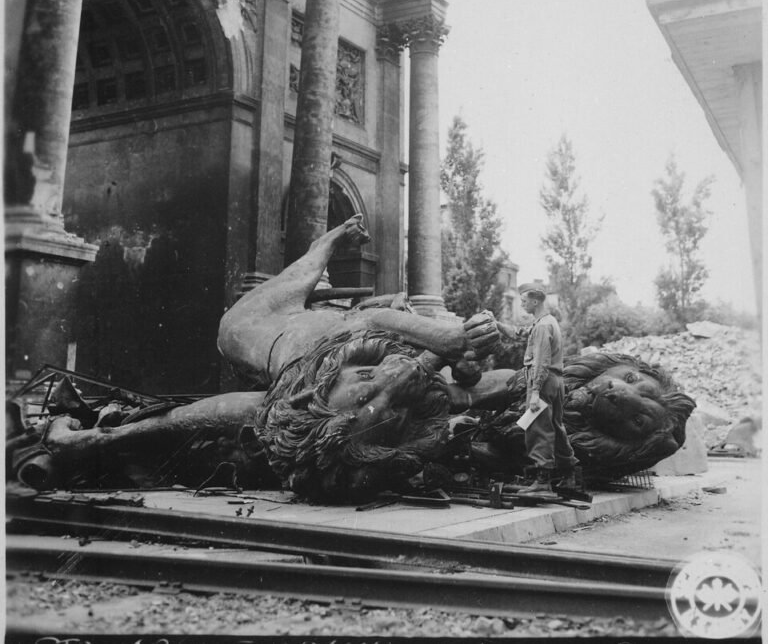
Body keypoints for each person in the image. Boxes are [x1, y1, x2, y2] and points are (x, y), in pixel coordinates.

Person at [23, 216, 511, 502]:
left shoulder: (282, 401)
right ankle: (331, 241)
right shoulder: (402, 397)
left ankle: (326, 241)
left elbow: (174, 420)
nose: (394, 374)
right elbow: (473, 380)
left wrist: (85, 439)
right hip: (347, 341)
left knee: (321, 292)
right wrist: (464, 363)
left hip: (263, 332)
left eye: (364, 386)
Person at [518, 286, 578, 495]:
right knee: (555, 426)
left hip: (542, 383)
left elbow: (541, 362)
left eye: (524, 300)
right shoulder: (549, 322)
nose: (522, 304)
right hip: (555, 381)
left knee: (537, 428)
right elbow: (524, 336)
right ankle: (570, 475)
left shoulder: (542, 326)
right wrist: (497, 325)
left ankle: (543, 480)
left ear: (535, 302)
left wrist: (535, 392)